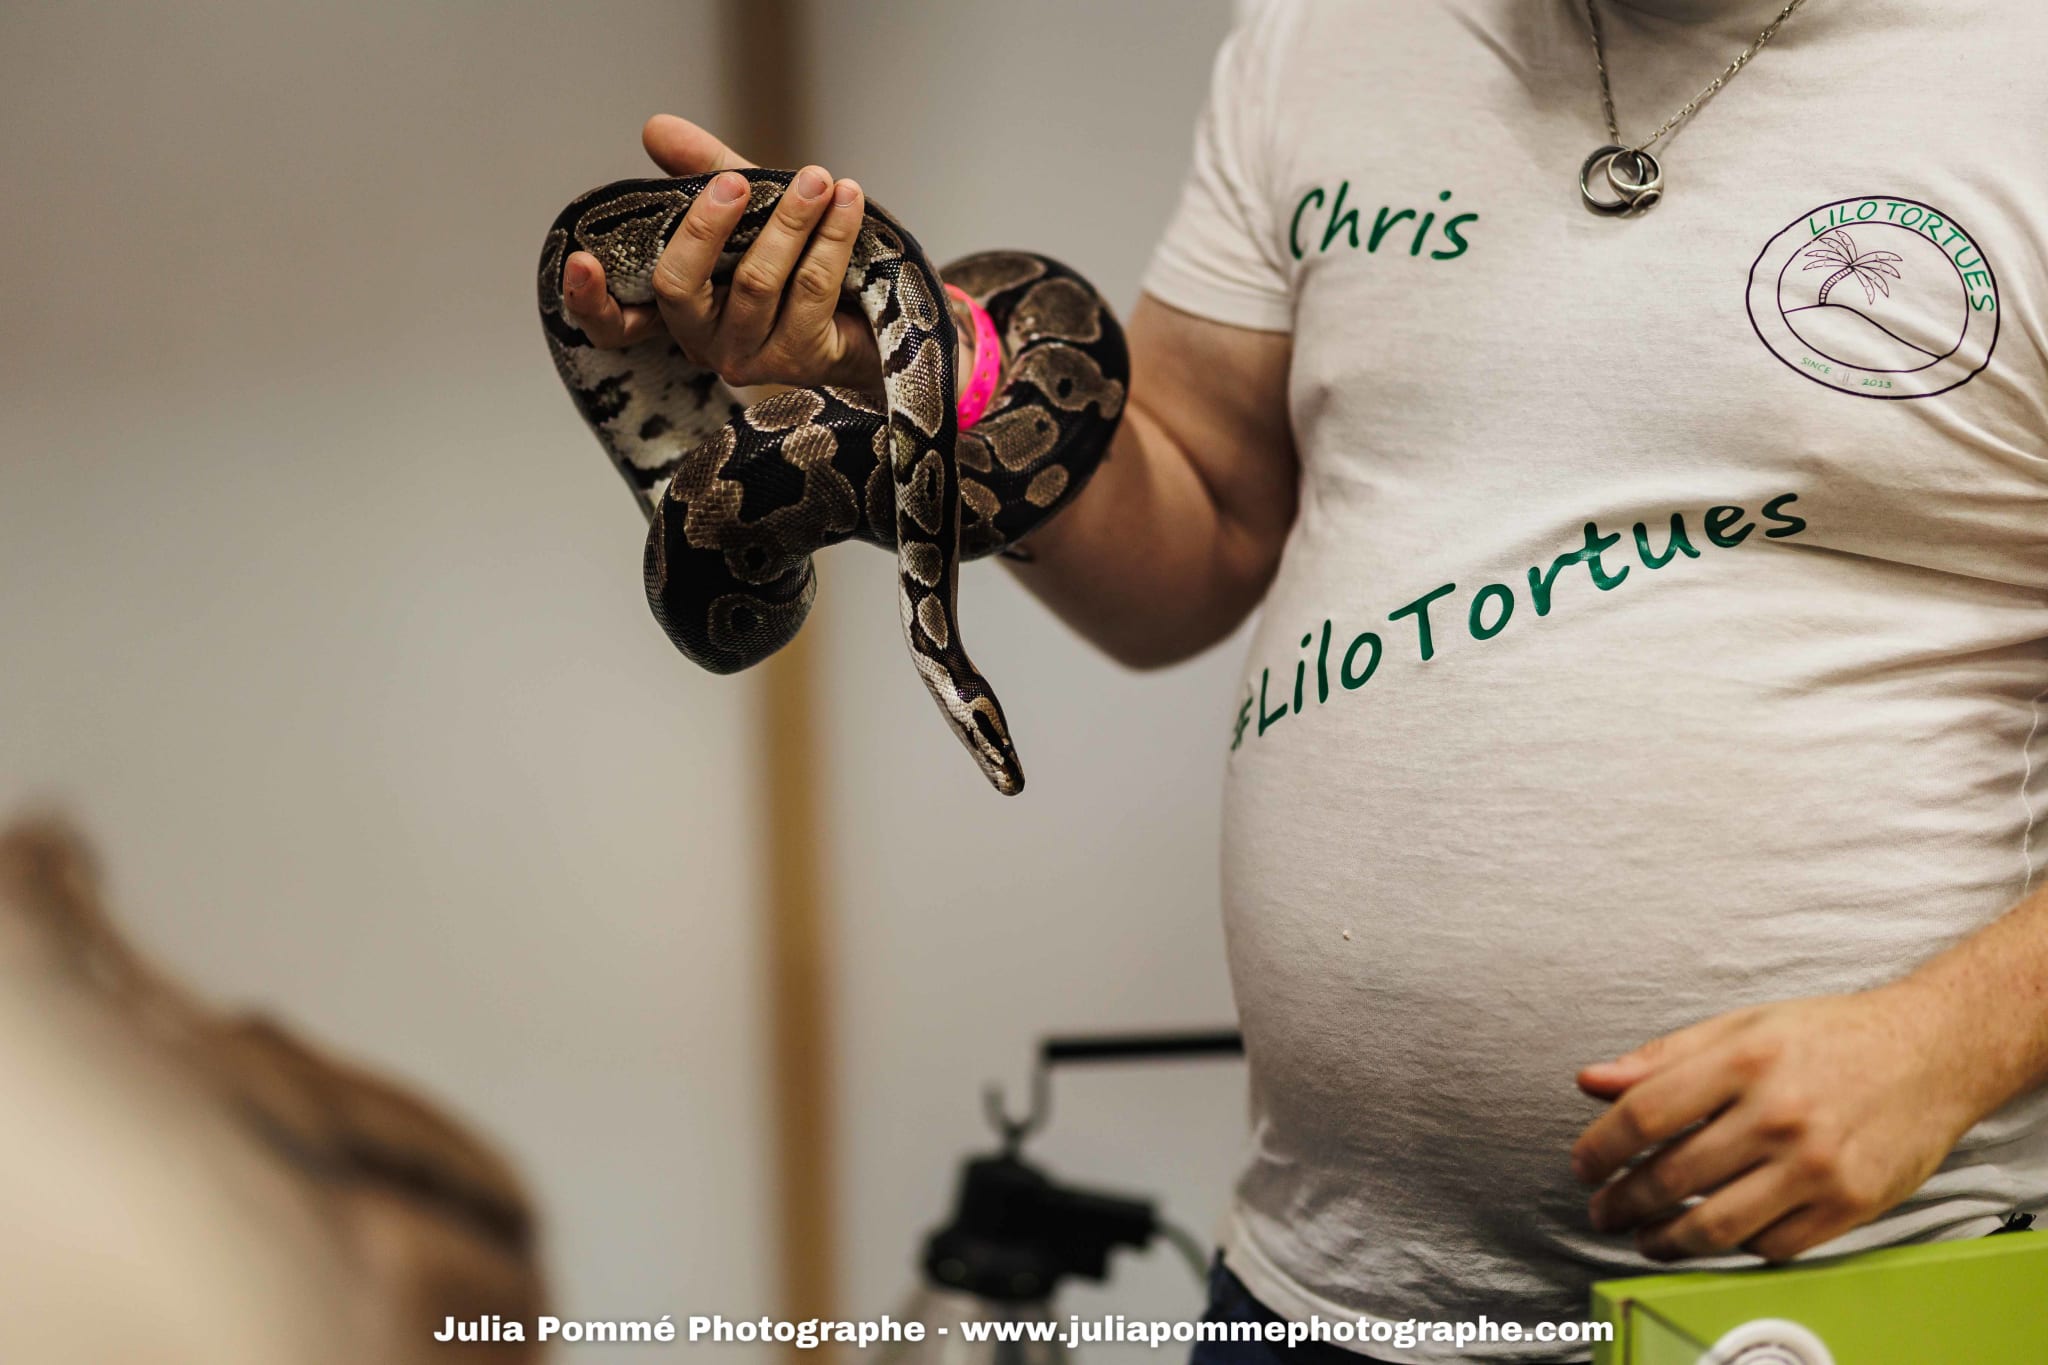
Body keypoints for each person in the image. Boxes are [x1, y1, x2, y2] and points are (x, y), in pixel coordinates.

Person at [561, 2, 2048, 1360]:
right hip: (1315, 1297)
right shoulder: (1327, 34)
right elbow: (1194, 530)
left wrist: (1946, 1041)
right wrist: (919, 372)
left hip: (1868, 1298)